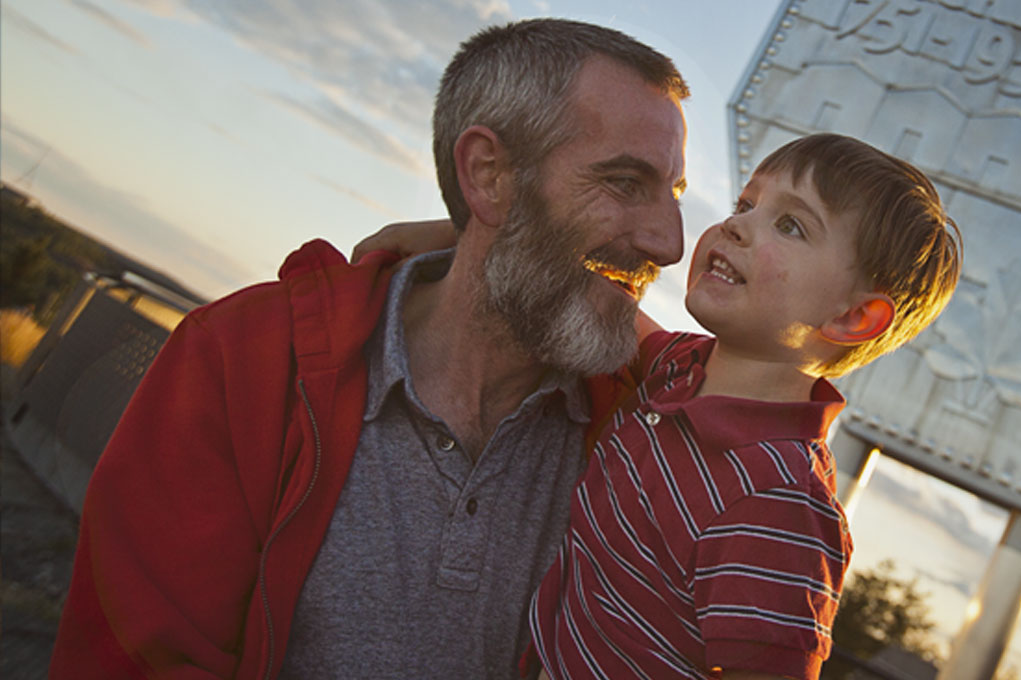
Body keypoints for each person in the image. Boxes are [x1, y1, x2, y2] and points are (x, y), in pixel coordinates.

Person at [50, 19, 690, 679]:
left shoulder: (648, 429)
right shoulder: (245, 360)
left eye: (671, 195)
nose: (670, 245)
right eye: (624, 182)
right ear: (489, 173)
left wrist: (500, 231)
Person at [360, 134, 964, 680]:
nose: (737, 227)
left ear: (853, 318)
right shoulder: (678, 369)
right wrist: (457, 234)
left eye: (791, 227)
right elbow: (580, 282)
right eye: (745, 205)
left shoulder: (779, 500)